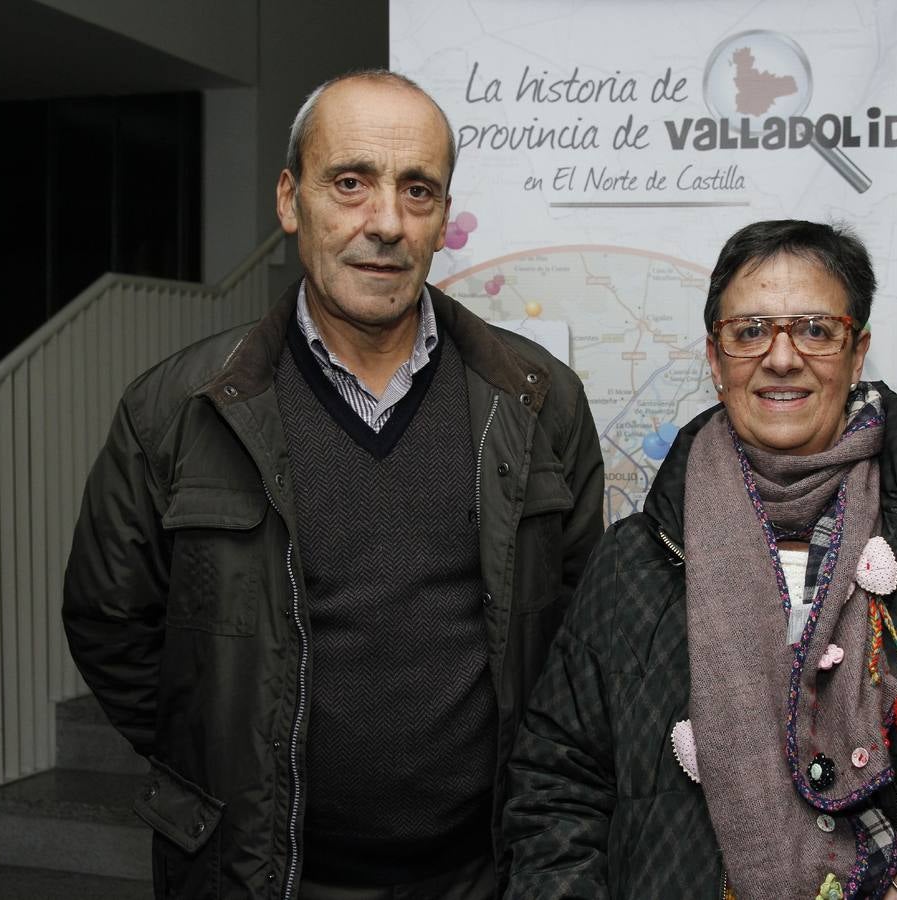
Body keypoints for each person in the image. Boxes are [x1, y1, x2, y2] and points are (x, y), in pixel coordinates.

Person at [62, 70, 604, 900]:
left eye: (416, 191)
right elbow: (110, 623)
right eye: (350, 183)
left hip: (486, 876)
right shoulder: (175, 409)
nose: (384, 223)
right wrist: (222, 759)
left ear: (443, 217)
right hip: (263, 876)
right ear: (291, 200)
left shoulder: (540, 401)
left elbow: (571, 629)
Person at [503, 220, 897, 898]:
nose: (782, 357)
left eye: (816, 329)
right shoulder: (632, 564)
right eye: (750, 331)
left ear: (858, 355)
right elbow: (557, 781)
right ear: (716, 359)